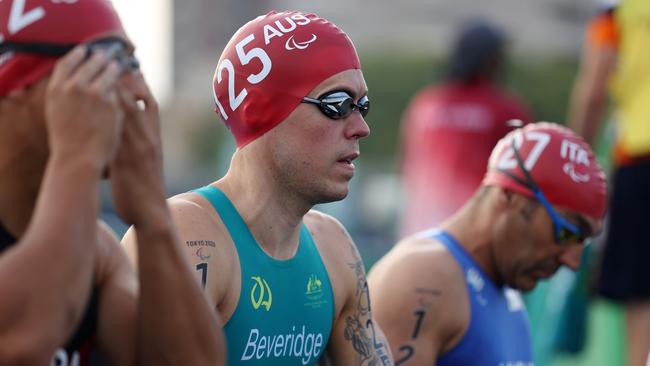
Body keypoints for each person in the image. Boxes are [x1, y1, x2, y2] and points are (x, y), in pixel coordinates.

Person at [124, 10, 393, 366]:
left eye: (362, 106)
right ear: (263, 111)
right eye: (338, 105)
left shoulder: (334, 249)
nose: (361, 126)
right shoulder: (189, 239)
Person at [0, 0, 224, 364]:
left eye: (134, 64)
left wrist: (153, 215)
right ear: (18, 82)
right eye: (109, 62)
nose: (137, 89)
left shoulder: (98, 252)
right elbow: (21, 340)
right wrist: (79, 158)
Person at [369, 123, 607, 365]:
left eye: (584, 241)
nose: (573, 261)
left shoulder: (506, 293)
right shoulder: (424, 278)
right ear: (508, 195)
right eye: (567, 232)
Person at [568, 1, 650, 365]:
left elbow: (593, 91)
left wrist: (573, 164)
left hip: (641, 155)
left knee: (641, 288)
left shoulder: (617, 10)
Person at [398, 19, 532, 237]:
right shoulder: (505, 110)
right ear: (491, 59)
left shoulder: (425, 104)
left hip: (417, 232)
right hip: (475, 236)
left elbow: (405, 165)